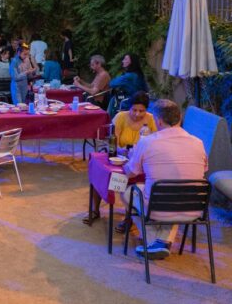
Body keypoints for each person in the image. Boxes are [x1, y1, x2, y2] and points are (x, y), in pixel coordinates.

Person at [122, 99, 207, 260]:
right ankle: (163, 241)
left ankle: (154, 239)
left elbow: (131, 172)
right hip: (194, 208)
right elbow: (202, 170)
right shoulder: (199, 143)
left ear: (158, 121)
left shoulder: (147, 142)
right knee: (176, 191)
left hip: (159, 206)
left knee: (127, 193)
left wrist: (130, 158)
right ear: (180, 118)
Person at [83, 92, 157, 228]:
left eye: (141, 111)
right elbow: (113, 141)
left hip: (141, 163)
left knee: (135, 182)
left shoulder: (150, 119)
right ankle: (95, 210)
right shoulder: (121, 117)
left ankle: (129, 218)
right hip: (121, 158)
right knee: (101, 176)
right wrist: (122, 151)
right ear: (129, 108)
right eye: (134, 110)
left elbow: (155, 141)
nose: (137, 114)